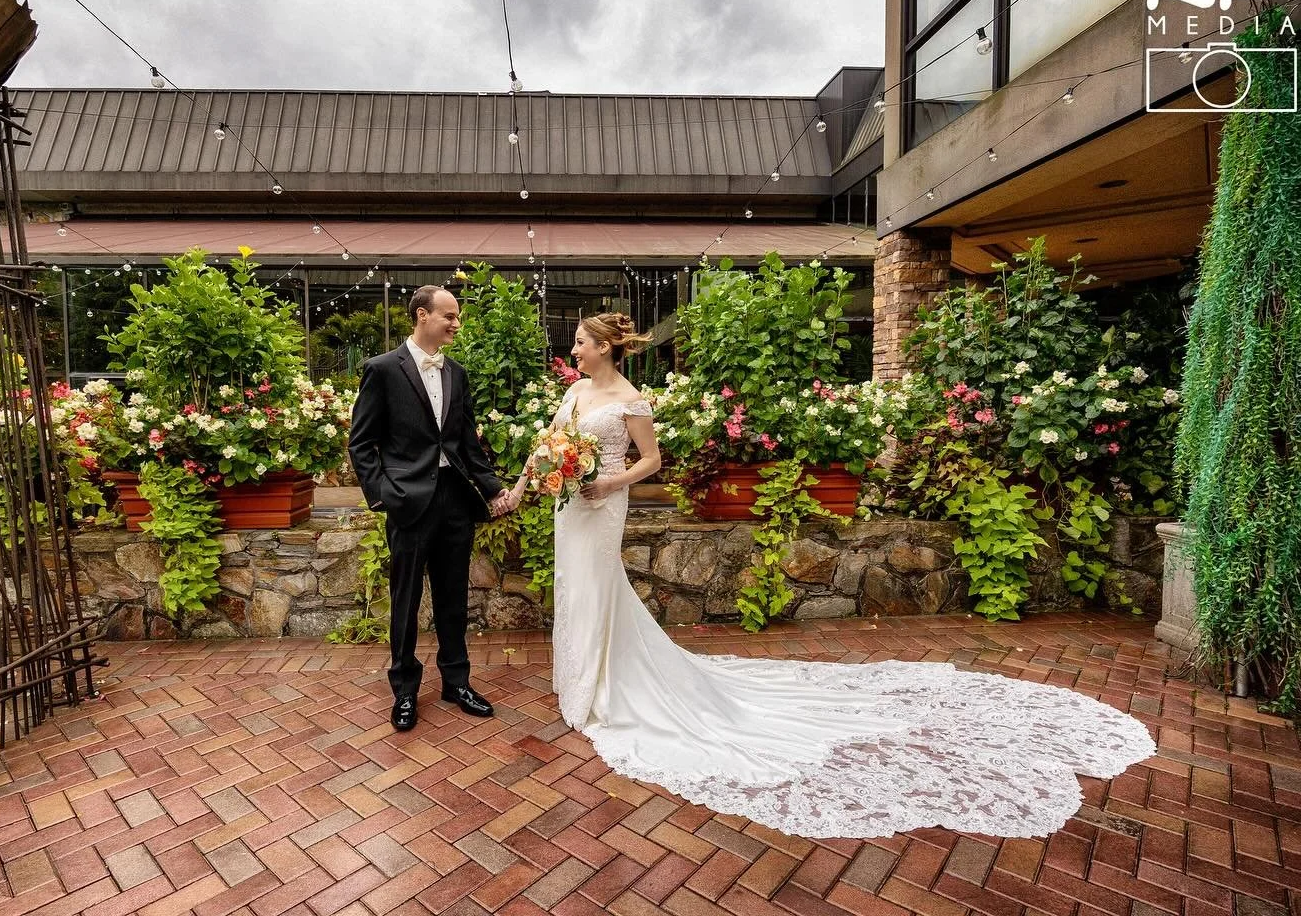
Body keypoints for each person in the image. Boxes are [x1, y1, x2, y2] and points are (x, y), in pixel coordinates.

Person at [496, 312, 1157, 839]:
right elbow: (547, 446)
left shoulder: (631, 399)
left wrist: (608, 481)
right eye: (574, 343)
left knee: (600, 588)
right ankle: (580, 682)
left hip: (602, 503)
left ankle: (604, 690)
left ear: (605, 348)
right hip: (568, 506)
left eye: (579, 342)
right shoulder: (574, 392)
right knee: (578, 590)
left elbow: (652, 462)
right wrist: (524, 488)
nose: (573, 350)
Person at [348, 285, 516, 732]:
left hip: (454, 500)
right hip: (408, 502)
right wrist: (383, 495)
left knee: (453, 598)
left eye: (457, 316)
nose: (456, 324)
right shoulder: (382, 369)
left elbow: (466, 442)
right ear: (422, 315)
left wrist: (493, 489)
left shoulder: (456, 373)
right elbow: (361, 443)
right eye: (449, 316)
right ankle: (404, 690)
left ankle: (456, 683)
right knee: (405, 600)